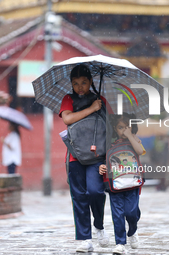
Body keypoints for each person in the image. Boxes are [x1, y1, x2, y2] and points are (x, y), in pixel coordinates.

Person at [59, 64, 111, 253]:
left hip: (97, 156)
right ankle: (84, 238)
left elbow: (110, 128)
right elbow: (67, 119)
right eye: (75, 83)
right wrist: (91, 109)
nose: (80, 87)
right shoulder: (68, 99)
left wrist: (108, 157)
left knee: (96, 192)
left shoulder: (101, 100)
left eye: (83, 82)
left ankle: (99, 226)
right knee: (79, 197)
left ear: (90, 82)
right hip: (75, 157)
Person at [99, 113, 146, 254]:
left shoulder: (135, 140)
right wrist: (101, 167)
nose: (124, 130)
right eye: (121, 127)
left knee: (131, 212)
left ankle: (132, 230)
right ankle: (120, 243)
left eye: (127, 127)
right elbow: (105, 160)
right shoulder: (110, 145)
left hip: (132, 184)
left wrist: (130, 135)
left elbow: (139, 151)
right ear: (115, 128)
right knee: (117, 214)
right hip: (115, 184)